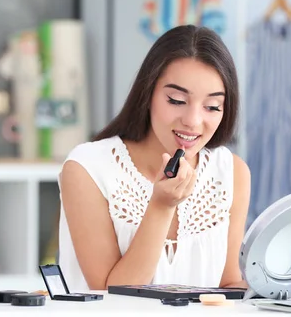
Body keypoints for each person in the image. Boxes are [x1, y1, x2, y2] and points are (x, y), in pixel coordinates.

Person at [57, 25, 251, 291]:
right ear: (148, 93)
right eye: (176, 100)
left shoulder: (231, 172)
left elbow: (227, 286)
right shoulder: (87, 168)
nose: (193, 122)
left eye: (212, 106)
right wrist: (161, 206)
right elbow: (110, 296)